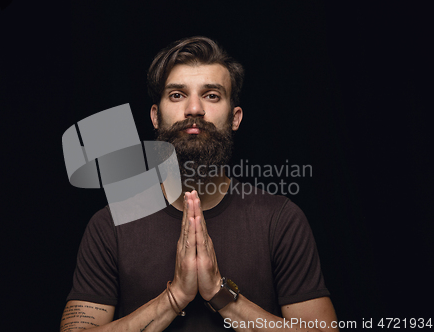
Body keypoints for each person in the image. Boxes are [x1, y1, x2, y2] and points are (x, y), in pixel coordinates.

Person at [60, 36, 339, 331]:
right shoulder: (109, 225)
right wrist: (174, 297)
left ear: (235, 117)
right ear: (155, 116)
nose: (194, 109)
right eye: (178, 95)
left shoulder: (280, 219)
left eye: (212, 95)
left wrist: (220, 294)